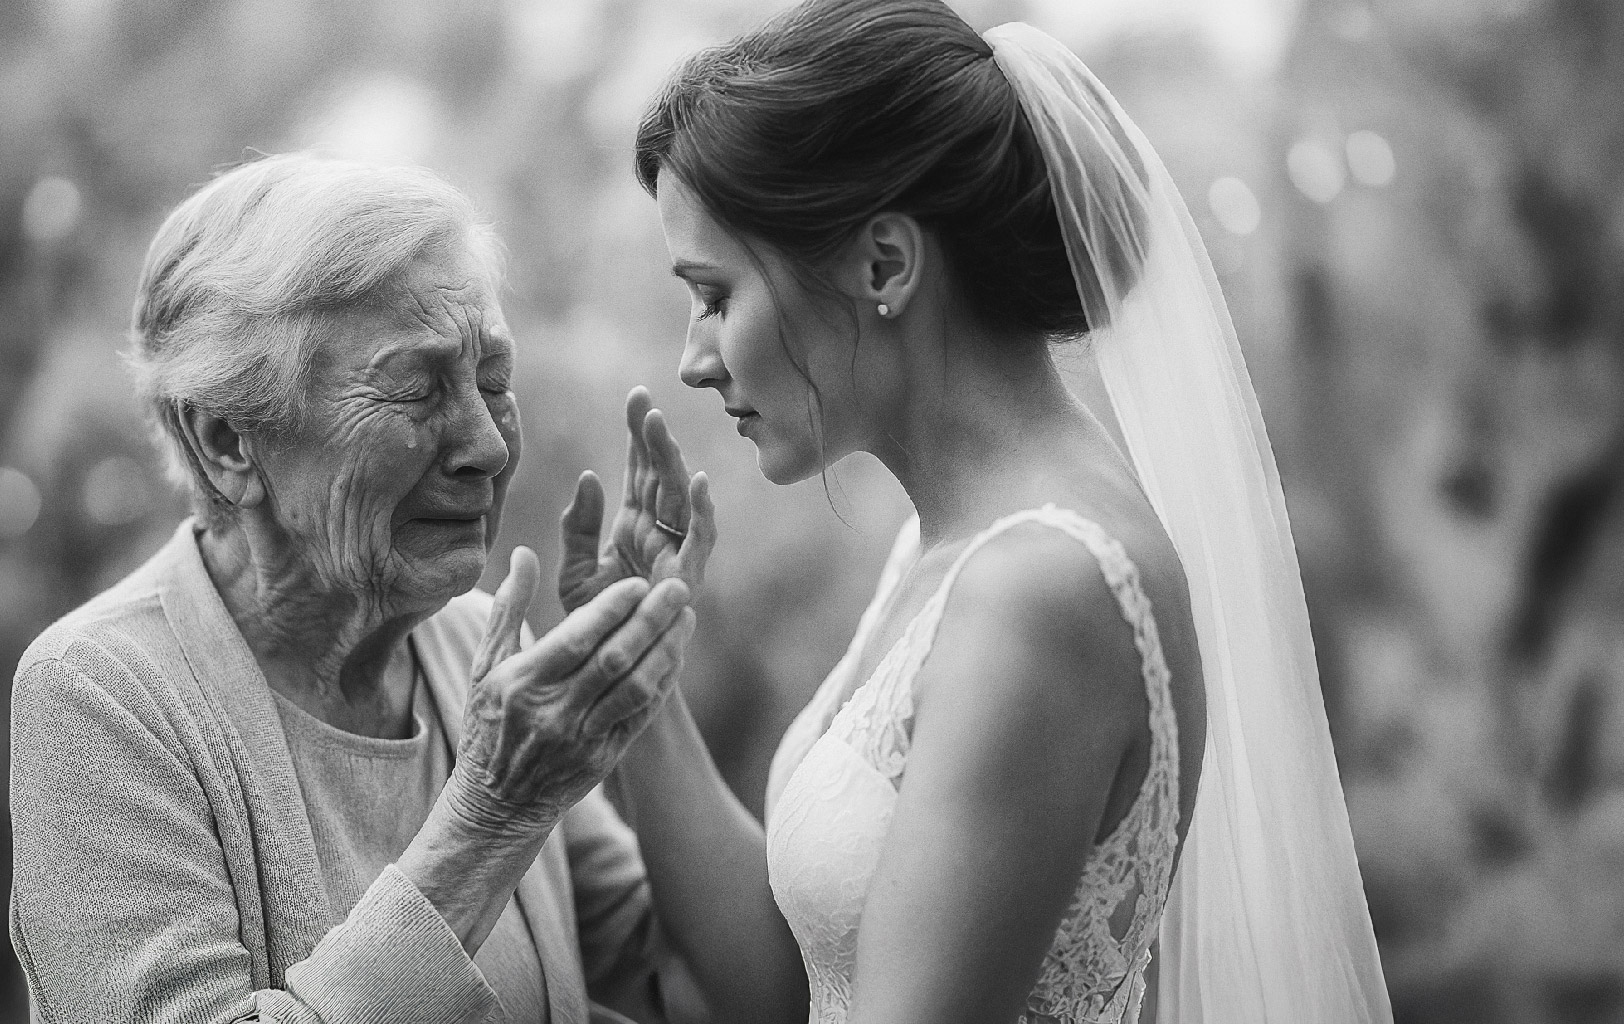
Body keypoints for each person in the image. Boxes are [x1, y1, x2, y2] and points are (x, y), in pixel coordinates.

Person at [560, 2, 1396, 1022]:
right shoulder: (950, 547)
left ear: (884, 265)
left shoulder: (1041, 595)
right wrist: (636, 685)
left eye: (716, 294)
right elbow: (801, 989)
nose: (694, 358)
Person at [7, 154, 709, 1024]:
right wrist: (491, 816)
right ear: (229, 440)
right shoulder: (101, 695)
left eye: (494, 380)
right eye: (416, 389)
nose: (487, 444)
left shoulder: (479, 650)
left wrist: (638, 677)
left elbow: (688, 988)